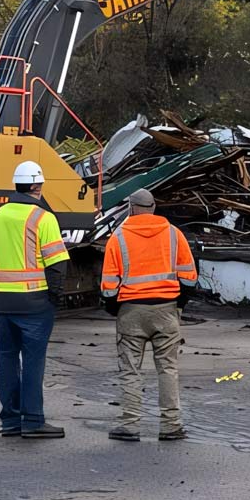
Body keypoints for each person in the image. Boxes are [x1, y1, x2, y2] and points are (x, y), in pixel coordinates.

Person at [0, 160, 69, 439]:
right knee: (33, 361)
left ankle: (10, 420)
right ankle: (33, 420)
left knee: (7, 359)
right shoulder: (43, 218)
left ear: (16, 186)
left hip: (3, 302)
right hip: (35, 302)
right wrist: (54, 299)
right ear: (37, 187)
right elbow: (57, 265)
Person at [100, 188, 197, 442]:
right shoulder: (174, 234)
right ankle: (171, 425)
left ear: (131, 208)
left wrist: (117, 310)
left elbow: (108, 288)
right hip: (166, 310)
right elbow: (189, 278)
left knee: (131, 370)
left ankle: (130, 424)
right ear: (154, 207)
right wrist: (178, 306)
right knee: (168, 368)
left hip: (131, 311)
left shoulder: (118, 237)